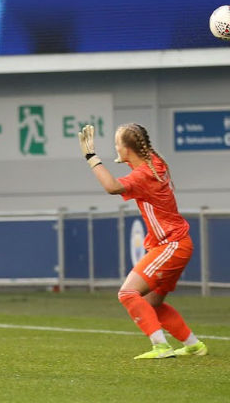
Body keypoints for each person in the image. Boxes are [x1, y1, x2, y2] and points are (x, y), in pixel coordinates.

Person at [78, 123, 207, 359]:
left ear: (127, 149)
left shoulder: (144, 175)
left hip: (171, 245)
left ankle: (161, 346)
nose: (115, 147)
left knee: (127, 294)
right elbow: (132, 168)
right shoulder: (154, 165)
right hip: (176, 244)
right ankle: (194, 345)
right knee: (151, 303)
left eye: (117, 143)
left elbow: (112, 187)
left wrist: (90, 156)